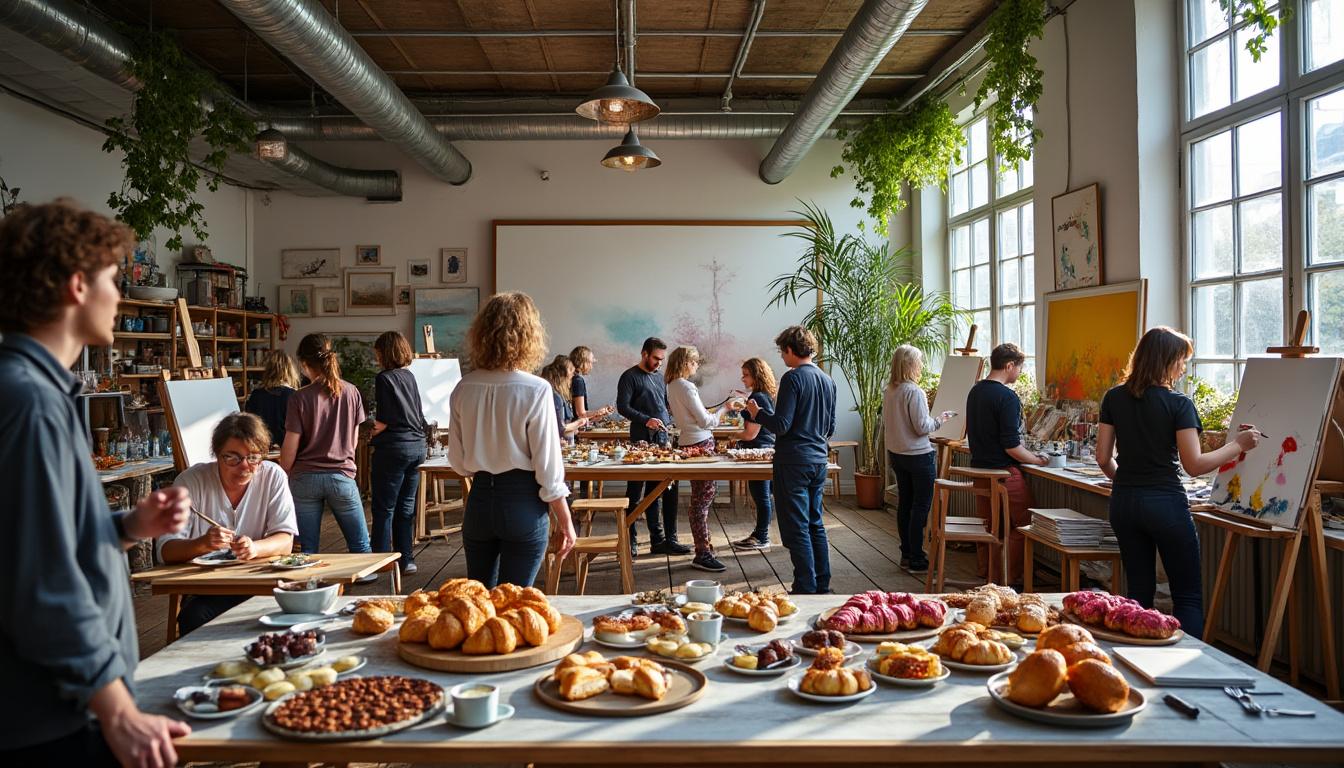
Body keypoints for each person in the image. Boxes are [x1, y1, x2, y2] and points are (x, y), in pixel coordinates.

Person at [0, 200, 192, 765]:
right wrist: (117, 709)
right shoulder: (30, 402)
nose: (119, 296)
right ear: (78, 285)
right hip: (51, 717)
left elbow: (37, 539)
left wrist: (126, 527)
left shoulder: (30, 390)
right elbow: (41, 581)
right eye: (113, 279)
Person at [1096, 327, 1261, 638]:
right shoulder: (1178, 404)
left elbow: (1103, 457)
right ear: (1167, 360)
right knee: (1187, 597)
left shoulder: (1114, 397)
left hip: (1124, 504)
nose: (1184, 368)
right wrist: (1238, 445)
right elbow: (1194, 465)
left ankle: (1136, 660)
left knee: (1138, 595)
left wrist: (1127, 481)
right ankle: (1190, 664)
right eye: (1182, 360)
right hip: (1165, 505)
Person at [448, 292, 577, 587]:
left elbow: (458, 462)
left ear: (481, 334)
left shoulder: (463, 388)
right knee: (515, 602)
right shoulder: (536, 389)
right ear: (529, 336)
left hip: (479, 502)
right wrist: (565, 521)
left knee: (480, 601)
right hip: (523, 504)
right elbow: (548, 469)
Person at [158, 413, 298, 634]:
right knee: (193, 618)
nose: (244, 467)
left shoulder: (273, 476)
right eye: (232, 458)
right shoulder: (191, 481)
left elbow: (285, 541)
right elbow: (166, 550)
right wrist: (202, 544)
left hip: (260, 584)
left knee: (287, 618)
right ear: (217, 454)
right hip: (209, 589)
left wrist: (255, 548)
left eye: (253, 457)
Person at [745, 326, 837, 594]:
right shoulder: (827, 380)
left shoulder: (792, 378)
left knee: (796, 527)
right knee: (815, 523)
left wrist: (758, 413)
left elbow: (782, 425)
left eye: (782, 352)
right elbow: (831, 427)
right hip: (818, 460)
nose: (782, 357)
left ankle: (805, 586)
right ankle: (822, 584)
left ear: (789, 349)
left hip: (793, 462)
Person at [280, 333, 371, 558]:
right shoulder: (351, 392)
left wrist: (285, 472)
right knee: (361, 548)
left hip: (304, 480)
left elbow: (290, 449)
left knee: (306, 552)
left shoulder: (299, 398)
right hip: (341, 477)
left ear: (303, 364)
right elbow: (352, 442)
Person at [964, 343, 1046, 586]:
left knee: (992, 527)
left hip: (980, 471)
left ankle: (989, 575)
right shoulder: (1007, 397)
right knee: (1026, 523)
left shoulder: (975, 391)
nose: (1020, 373)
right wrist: (1037, 460)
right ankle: (1010, 579)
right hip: (1003, 474)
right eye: (1020, 368)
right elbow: (1011, 446)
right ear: (1009, 366)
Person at [883, 345, 956, 576]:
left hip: (897, 454)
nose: (922, 365)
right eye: (919, 361)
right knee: (921, 506)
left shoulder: (890, 390)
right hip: (918, 455)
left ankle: (906, 554)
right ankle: (917, 557)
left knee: (905, 503)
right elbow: (922, 427)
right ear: (910, 365)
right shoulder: (913, 392)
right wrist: (941, 419)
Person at [617, 337, 687, 556]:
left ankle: (660, 541)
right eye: (656, 358)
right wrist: (646, 420)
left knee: (658, 490)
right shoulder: (629, 377)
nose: (659, 363)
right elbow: (622, 407)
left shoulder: (659, 377)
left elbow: (664, 404)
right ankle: (629, 540)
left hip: (663, 440)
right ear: (644, 354)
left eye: (662, 359)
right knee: (635, 493)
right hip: (640, 441)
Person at [665, 346, 731, 572]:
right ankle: (702, 552)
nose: (696, 366)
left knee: (699, 498)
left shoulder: (672, 385)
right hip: (701, 443)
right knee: (701, 500)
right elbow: (706, 422)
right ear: (686, 363)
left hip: (687, 441)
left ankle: (704, 547)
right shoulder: (686, 386)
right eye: (694, 362)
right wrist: (725, 409)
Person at [369, 331, 429, 576]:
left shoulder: (384, 378)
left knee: (384, 508)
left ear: (385, 352)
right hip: (417, 447)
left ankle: (381, 561)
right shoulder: (409, 376)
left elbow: (385, 419)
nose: (376, 357)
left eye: (377, 352)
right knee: (406, 508)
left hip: (394, 448)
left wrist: (367, 429)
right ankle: (407, 560)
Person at [731, 357, 778, 552]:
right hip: (767, 448)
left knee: (761, 496)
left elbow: (750, 434)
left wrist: (732, 436)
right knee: (765, 495)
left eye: (746, 375)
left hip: (758, 451)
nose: (743, 379)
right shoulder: (765, 395)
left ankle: (761, 536)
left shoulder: (757, 398)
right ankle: (760, 534)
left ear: (756, 376)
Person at [245, 349, 301, 448]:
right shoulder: (294, 395)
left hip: (260, 448)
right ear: (290, 370)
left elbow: (249, 426)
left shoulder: (255, 395)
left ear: (268, 370)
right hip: (286, 449)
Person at [541, 355, 588, 440]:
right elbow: (561, 428)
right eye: (571, 373)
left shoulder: (558, 395)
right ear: (563, 376)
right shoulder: (556, 397)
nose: (572, 377)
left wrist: (575, 427)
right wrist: (580, 422)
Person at [568, 345, 614, 422]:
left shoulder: (571, 378)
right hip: (576, 428)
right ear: (584, 362)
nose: (591, 367)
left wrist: (601, 414)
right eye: (591, 363)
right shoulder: (578, 381)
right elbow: (581, 414)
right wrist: (599, 412)